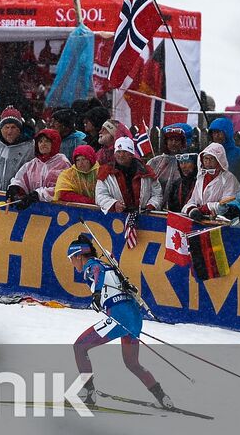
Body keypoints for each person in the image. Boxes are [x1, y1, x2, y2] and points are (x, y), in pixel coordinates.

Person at [68, 234, 173, 409]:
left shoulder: (91, 265)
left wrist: (97, 294)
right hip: (133, 317)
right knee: (132, 363)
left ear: (79, 255)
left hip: (119, 316)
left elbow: (97, 272)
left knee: (80, 346)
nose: (72, 263)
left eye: (71, 258)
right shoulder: (108, 265)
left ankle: (89, 393)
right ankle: (163, 397)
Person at [95, 138, 163, 214]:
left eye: (125, 152)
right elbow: (100, 195)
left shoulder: (146, 171)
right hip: (116, 217)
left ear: (131, 154)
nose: (121, 155)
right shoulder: (105, 172)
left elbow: (157, 194)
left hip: (144, 216)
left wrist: (151, 206)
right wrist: (113, 204)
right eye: (118, 152)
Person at [7, 129, 71, 208]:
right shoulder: (32, 164)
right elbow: (20, 180)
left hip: (55, 210)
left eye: (47, 141)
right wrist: (15, 188)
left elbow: (63, 189)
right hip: (34, 211)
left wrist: (38, 195)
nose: (43, 144)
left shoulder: (63, 163)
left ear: (54, 143)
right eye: (40, 142)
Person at [182, 143, 240, 219]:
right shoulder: (201, 177)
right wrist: (192, 210)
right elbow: (192, 201)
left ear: (219, 160)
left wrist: (204, 209)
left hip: (222, 222)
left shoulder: (228, 178)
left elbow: (225, 205)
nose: (208, 162)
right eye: (206, 158)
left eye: (211, 158)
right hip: (201, 220)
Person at [147, 125, 189, 201]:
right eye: (171, 140)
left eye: (177, 140)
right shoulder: (154, 162)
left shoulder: (187, 162)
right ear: (166, 142)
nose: (173, 143)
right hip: (154, 205)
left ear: (182, 143)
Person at [208, 116, 240, 186]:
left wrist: (239, 195)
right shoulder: (208, 155)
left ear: (227, 133)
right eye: (213, 133)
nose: (216, 136)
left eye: (219, 132)